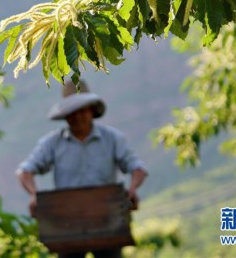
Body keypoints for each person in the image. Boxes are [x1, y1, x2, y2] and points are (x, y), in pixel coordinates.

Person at [16, 80, 148, 258]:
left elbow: (137, 168)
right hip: (67, 225)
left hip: (106, 221)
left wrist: (132, 189)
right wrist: (34, 195)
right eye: (72, 112)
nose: (77, 117)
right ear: (65, 116)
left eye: (82, 110)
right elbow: (25, 171)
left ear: (92, 111)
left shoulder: (112, 138)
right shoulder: (53, 143)